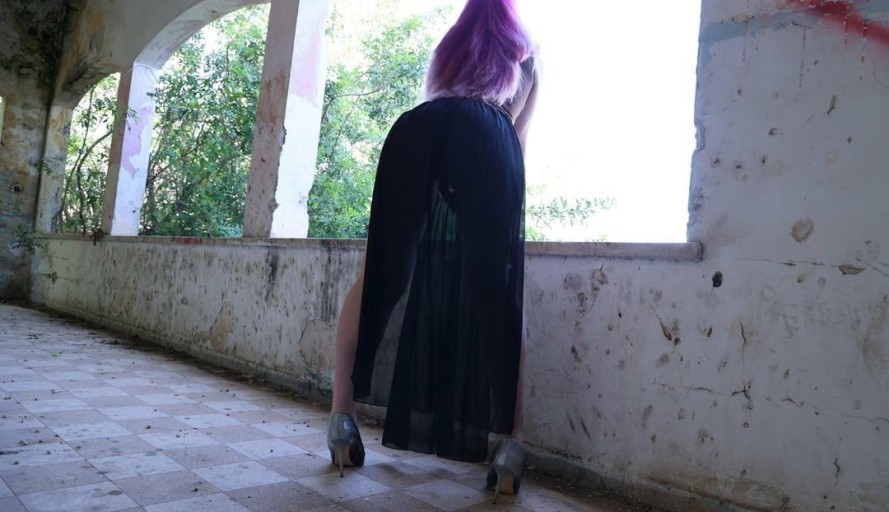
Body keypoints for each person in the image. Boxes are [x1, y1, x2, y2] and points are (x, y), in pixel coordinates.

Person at [327, 0, 539, 501]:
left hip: (416, 127)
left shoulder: (450, 45)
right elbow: (517, 137)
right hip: (490, 134)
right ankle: (511, 444)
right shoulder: (527, 54)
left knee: (380, 273)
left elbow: (439, 101)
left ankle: (341, 417)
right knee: (495, 285)